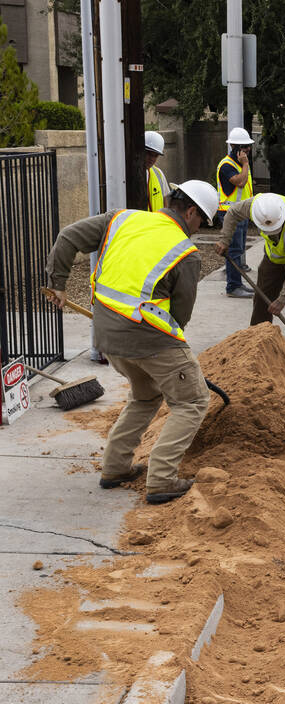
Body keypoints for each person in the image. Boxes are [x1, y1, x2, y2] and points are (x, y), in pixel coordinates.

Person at [44, 181, 220, 505]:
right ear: (192, 211)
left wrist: (58, 283)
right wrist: (175, 360)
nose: (199, 229)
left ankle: (115, 468)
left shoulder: (122, 219)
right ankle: (162, 480)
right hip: (150, 339)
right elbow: (181, 316)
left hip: (106, 337)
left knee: (146, 396)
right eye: (202, 221)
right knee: (192, 400)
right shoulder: (185, 253)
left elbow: (68, 236)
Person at [216, 192, 285, 353]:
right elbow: (233, 213)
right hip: (275, 254)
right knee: (262, 294)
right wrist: (224, 239)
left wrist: (283, 298)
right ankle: (256, 340)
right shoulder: (256, 206)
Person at [215, 127, 255, 298]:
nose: (247, 149)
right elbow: (239, 182)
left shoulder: (239, 164)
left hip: (241, 213)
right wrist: (245, 164)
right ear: (233, 146)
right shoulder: (227, 165)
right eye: (243, 146)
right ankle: (233, 286)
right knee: (234, 250)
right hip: (230, 214)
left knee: (238, 250)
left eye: (248, 146)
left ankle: (237, 283)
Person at [144, 131, 168, 212]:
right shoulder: (127, 175)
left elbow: (166, 202)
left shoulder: (158, 173)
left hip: (158, 224)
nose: (152, 159)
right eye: (149, 154)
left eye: (156, 155)